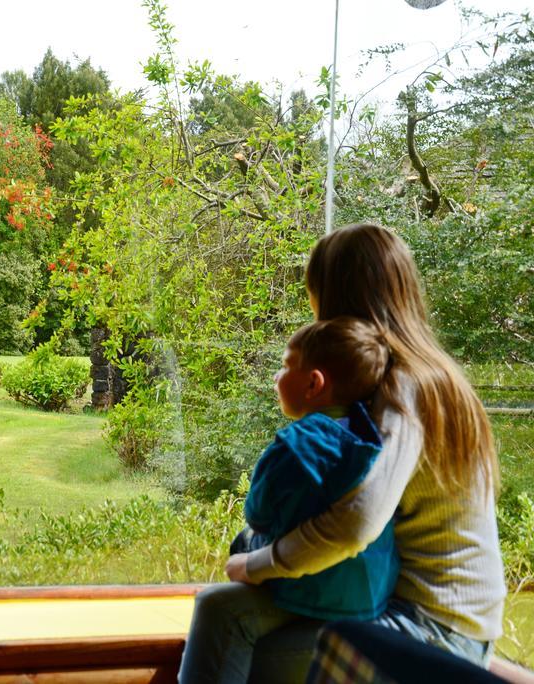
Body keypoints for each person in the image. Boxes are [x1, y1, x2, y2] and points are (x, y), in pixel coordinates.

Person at [178, 224, 505, 684]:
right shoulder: (415, 374)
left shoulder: (406, 389)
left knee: (245, 645)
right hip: (395, 607)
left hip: (436, 635)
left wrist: (259, 562)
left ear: (336, 299)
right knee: (220, 610)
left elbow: (358, 521)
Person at [229, 316, 398, 625]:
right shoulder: (375, 440)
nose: (276, 378)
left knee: (244, 540)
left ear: (313, 383)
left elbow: (258, 514)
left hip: (309, 590)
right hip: (369, 596)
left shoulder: (293, 445)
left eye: (284, 366)